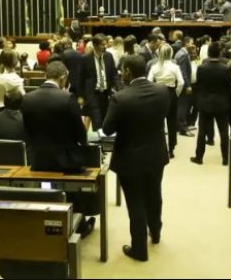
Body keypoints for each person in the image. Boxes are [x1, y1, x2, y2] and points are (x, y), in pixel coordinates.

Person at [103, 55, 171, 262]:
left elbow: (107, 129)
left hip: (129, 157)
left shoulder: (121, 98)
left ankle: (139, 249)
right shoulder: (162, 91)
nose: (121, 73)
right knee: (154, 194)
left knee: (135, 202)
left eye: (122, 70)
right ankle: (156, 232)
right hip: (156, 154)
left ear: (129, 72)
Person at [22, 61, 96, 238]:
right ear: (63, 78)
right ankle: (80, 225)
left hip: (39, 159)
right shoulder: (67, 98)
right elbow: (80, 133)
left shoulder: (28, 98)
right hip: (66, 161)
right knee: (83, 180)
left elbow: (27, 132)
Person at [190, 42, 231, 165]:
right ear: (219, 53)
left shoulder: (201, 68)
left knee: (202, 131)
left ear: (208, 53)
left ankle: (199, 157)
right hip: (222, 102)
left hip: (205, 102)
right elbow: (228, 85)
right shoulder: (226, 69)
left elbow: (199, 84)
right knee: (224, 132)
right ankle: (226, 158)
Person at [147, 44, 184, 159]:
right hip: (171, 93)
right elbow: (181, 82)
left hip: (158, 94)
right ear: (171, 53)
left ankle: (158, 148)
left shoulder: (154, 67)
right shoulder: (175, 67)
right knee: (172, 122)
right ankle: (171, 149)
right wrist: (176, 94)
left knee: (158, 123)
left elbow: (149, 81)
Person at [81, 34, 118, 130]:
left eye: (105, 44)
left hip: (106, 93)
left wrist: (119, 88)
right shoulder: (86, 59)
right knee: (97, 119)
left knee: (105, 119)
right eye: (102, 45)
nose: (105, 47)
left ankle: (103, 141)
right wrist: (80, 96)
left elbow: (114, 74)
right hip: (92, 93)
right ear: (94, 45)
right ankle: (99, 141)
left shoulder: (109, 56)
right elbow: (81, 78)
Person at [173, 36, 196, 137]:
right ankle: (183, 128)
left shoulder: (183, 53)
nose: (193, 45)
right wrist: (187, 85)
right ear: (186, 43)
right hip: (182, 85)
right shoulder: (182, 55)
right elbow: (183, 72)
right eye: (192, 43)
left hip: (181, 84)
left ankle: (181, 125)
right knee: (182, 107)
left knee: (182, 106)